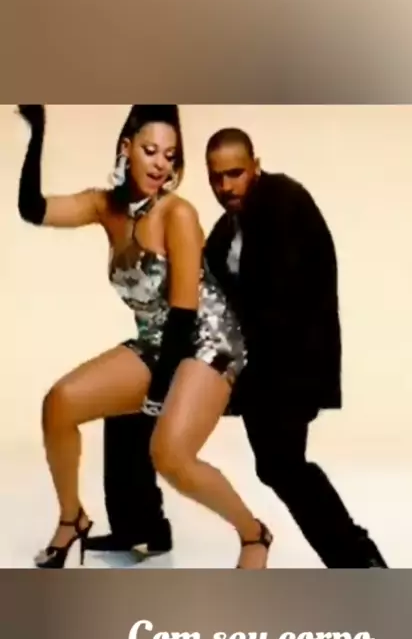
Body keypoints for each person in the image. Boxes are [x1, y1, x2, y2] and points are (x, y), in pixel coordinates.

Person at [92, 126, 387, 568]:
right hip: (244, 358)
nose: (225, 186)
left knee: (281, 466)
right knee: (130, 403)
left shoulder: (285, 203)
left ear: (255, 167)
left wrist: (211, 363)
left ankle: (360, 563)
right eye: (216, 177)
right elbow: (202, 283)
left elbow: (280, 299)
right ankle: (141, 526)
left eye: (235, 174)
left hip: (284, 368)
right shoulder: (230, 224)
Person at [16, 104, 273, 570]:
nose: (160, 164)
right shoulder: (104, 206)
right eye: (150, 150)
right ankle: (72, 520)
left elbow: (184, 314)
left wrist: (155, 399)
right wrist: (37, 133)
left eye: (170, 156)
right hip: (158, 342)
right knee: (59, 403)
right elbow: (32, 209)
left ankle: (253, 534)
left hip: (209, 341)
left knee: (170, 455)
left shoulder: (177, 214)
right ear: (126, 148)